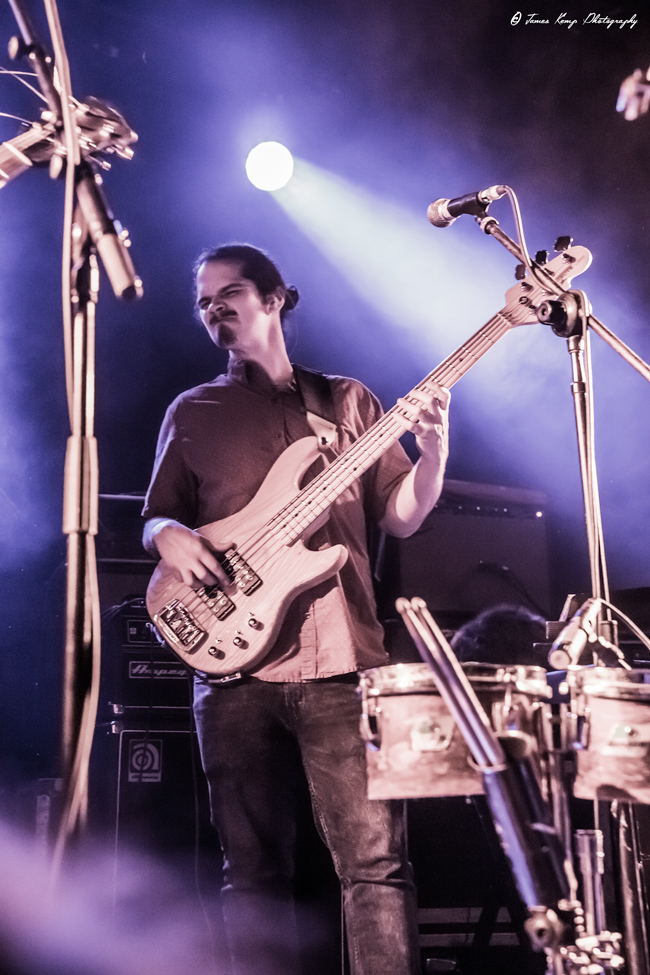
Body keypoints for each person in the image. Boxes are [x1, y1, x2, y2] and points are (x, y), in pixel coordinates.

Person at [142, 243, 450, 975]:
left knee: (375, 868)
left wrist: (432, 451)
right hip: (233, 669)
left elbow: (401, 516)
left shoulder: (348, 403)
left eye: (231, 291)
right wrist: (171, 538)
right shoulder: (193, 411)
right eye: (204, 299)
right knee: (250, 875)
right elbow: (155, 520)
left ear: (276, 299)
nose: (214, 306)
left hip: (342, 661)